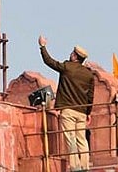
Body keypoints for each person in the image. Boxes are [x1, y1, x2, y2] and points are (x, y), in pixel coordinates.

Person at [38, 36, 95, 172]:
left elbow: (49, 62)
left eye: (72, 53)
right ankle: (85, 166)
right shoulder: (89, 75)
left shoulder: (67, 67)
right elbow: (90, 96)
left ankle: (75, 168)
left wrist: (42, 46)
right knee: (82, 140)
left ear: (75, 56)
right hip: (81, 112)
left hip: (68, 110)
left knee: (70, 139)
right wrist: (88, 112)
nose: (70, 54)